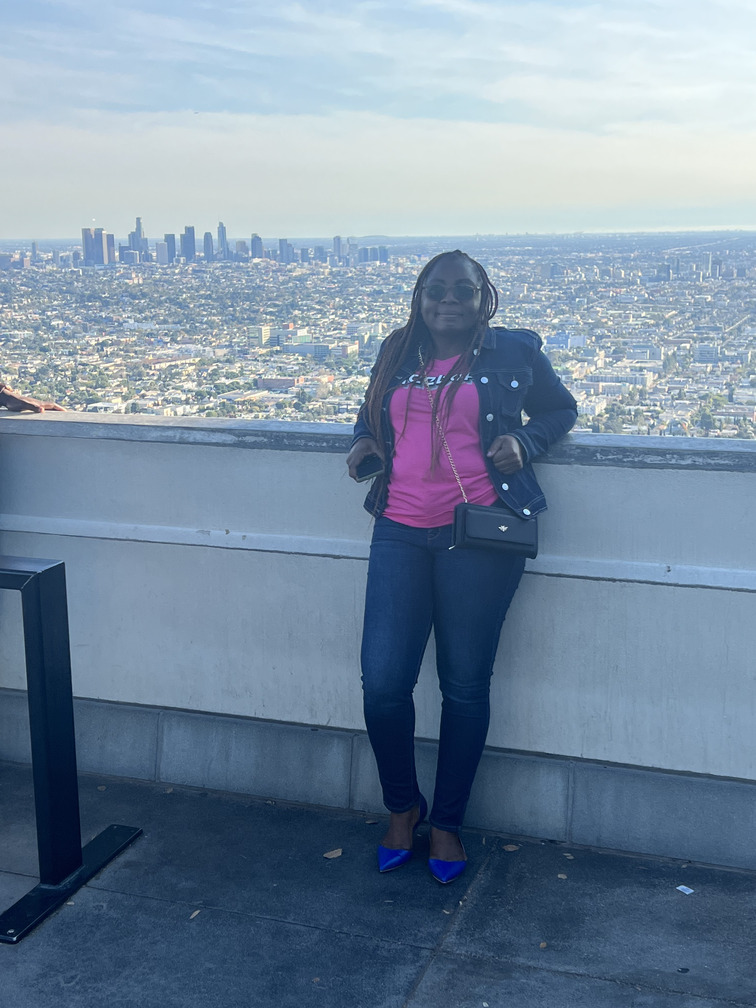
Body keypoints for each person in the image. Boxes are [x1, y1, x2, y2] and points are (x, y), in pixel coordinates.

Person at [346, 250, 577, 884]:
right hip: (398, 530)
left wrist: (524, 441)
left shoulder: (514, 351)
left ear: (483, 298)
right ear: (419, 296)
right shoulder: (397, 350)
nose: (448, 300)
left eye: (462, 290)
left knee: (465, 685)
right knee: (383, 684)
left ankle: (446, 823)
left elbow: (561, 410)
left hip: (479, 534)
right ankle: (403, 807)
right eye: (436, 289)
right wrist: (361, 442)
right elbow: (369, 413)